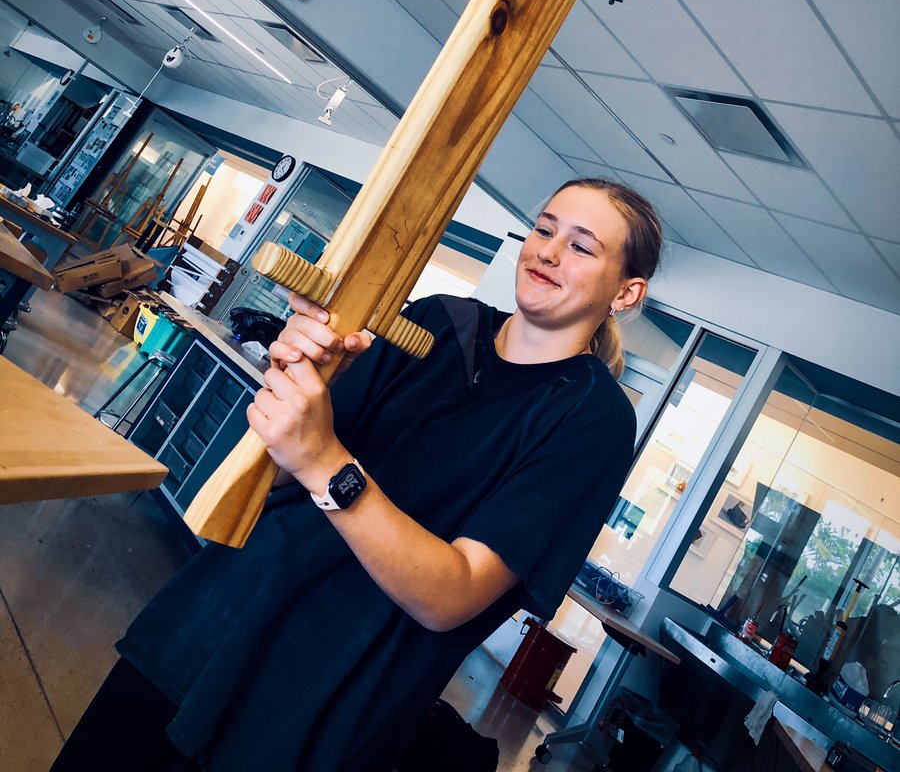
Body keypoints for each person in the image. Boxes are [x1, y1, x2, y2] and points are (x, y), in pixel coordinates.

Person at [52, 177, 662, 772]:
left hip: (319, 701)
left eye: (582, 246)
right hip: (216, 619)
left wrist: (326, 464)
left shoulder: (591, 419)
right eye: (544, 229)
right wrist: (297, 379)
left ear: (626, 293)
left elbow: (452, 596)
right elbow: (278, 472)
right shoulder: (438, 323)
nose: (547, 252)